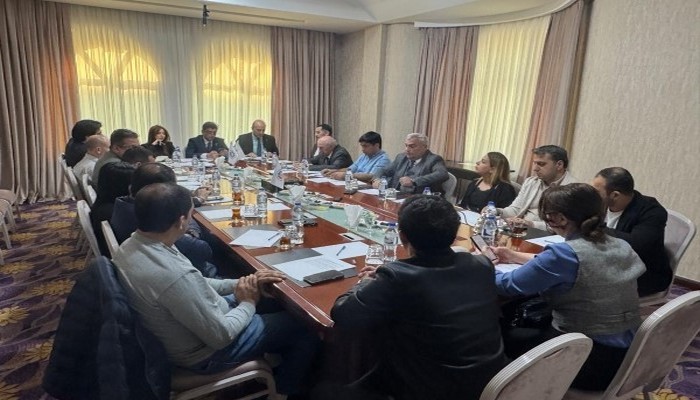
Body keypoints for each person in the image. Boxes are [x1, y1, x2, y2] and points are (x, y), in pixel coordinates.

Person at [112, 183, 318, 397]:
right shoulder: (172, 275)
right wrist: (248, 302)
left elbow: (197, 282)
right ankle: (284, 391)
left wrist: (244, 282)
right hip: (206, 356)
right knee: (304, 326)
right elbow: (221, 336)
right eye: (191, 214)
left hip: (189, 330)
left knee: (273, 299)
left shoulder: (133, 244)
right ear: (181, 221)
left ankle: (275, 358)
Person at [312, 195, 507, 400]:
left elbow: (343, 314)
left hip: (429, 389)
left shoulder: (397, 277)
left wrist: (366, 281)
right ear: (455, 235)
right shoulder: (482, 265)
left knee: (322, 392)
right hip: (490, 384)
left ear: (402, 236)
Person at [491, 183, 645, 390]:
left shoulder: (563, 255)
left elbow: (508, 285)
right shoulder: (620, 244)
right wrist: (514, 256)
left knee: (498, 333)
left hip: (584, 361)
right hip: (627, 357)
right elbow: (574, 264)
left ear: (561, 219)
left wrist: (482, 265)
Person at [111, 163, 218, 277]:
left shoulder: (123, 204)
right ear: (159, 190)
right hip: (185, 272)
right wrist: (188, 220)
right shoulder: (145, 217)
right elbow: (198, 247)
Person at [591, 167, 670, 296]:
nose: (592, 195)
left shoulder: (652, 211)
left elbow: (636, 244)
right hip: (607, 261)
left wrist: (595, 228)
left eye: (596, 191)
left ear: (615, 195)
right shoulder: (599, 204)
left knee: (582, 284)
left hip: (643, 274)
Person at [498, 145, 577, 230]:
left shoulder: (573, 189)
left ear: (559, 165)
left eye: (541, 164)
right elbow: (516, 209)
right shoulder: (531, 182)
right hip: (522, 229)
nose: (535, 169)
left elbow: (565, 225)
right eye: (535, 163)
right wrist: (498, 211)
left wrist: (531, 224)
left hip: (547, 234)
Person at [372, 133, 448, 194]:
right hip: (396, 196)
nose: (407, 149)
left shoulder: (434, 159)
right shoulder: (401, 157)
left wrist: (414, 181)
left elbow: (442, 174)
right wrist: (377, 179)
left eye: (412, 146)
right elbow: (383, 170)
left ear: (425, 147)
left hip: (420, 199)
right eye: (406, 145)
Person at [323, 131, 390, 183]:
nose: (362, 149)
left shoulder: (383, 159)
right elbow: (351, 169)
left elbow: (371, 176)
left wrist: (346, 176)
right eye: (362, 146)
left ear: (377, 145)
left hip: (369, 188)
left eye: (365, 146)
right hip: (356, 184)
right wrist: (334, 171)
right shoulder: (364, 156)